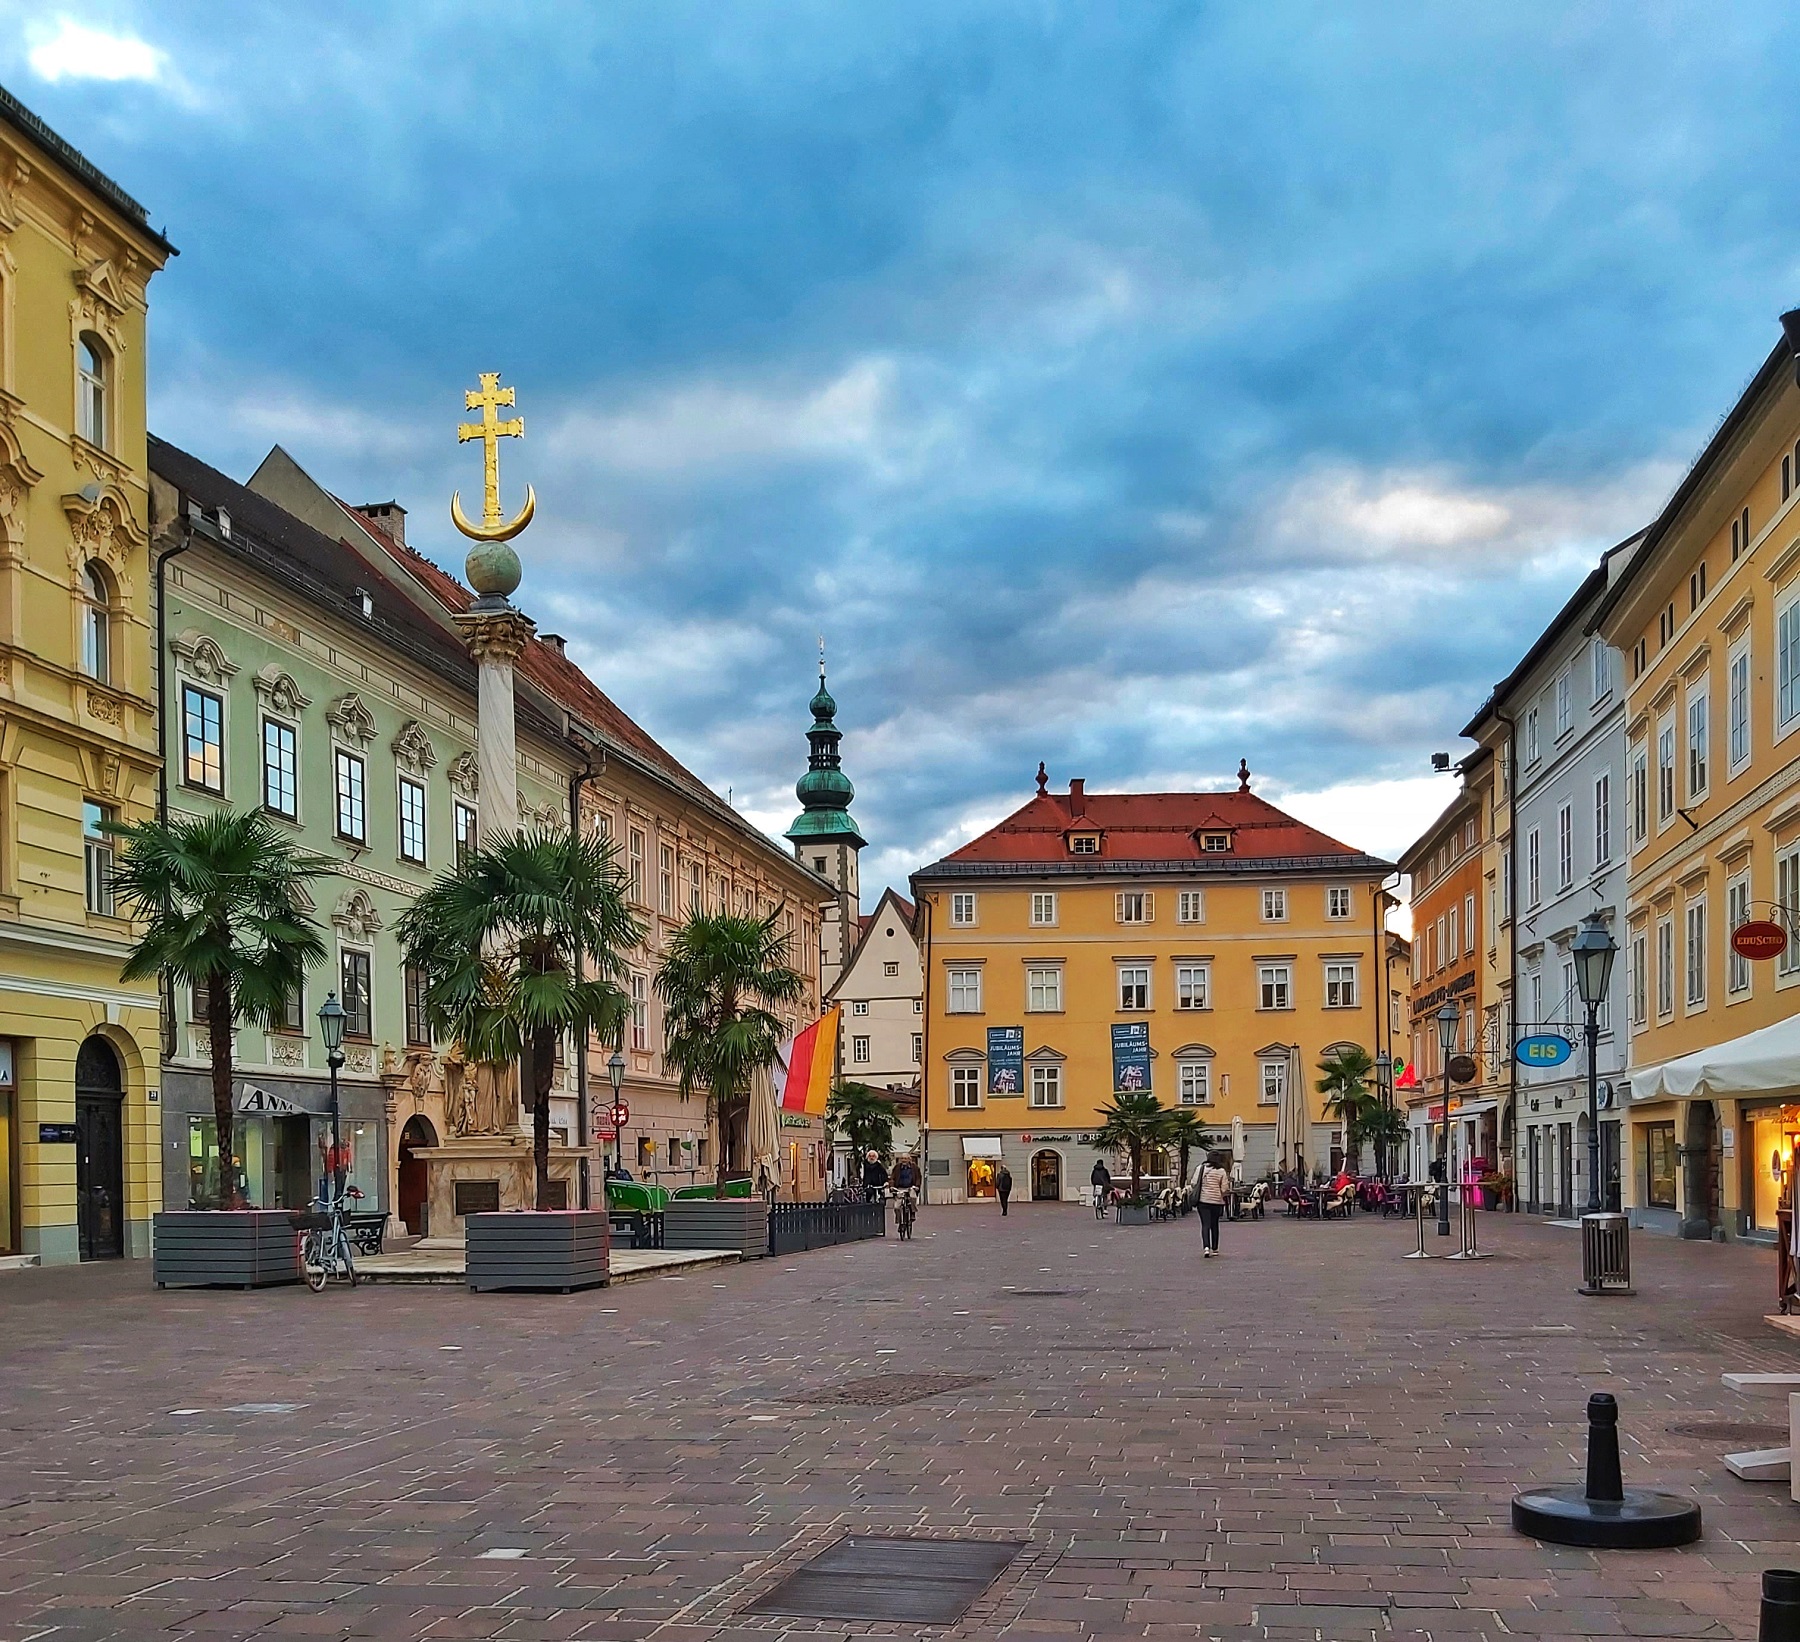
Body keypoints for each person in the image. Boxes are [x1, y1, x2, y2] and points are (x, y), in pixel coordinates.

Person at [1196, 1153, 1231, 1256]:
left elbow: (1194, 1182)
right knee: (1214, 1224)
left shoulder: (1200, 1169)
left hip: (1203, 1201)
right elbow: (1224, 1189)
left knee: (1205, 1225)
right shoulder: (1221, 1171)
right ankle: (1215, 1248)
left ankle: (1206, 1247)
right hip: (1216, 1202)